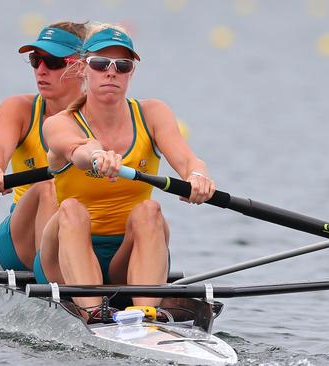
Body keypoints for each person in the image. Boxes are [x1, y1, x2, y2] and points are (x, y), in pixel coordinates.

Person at [38, 24, 215, 313]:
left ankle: (146, 318)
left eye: (122, 65)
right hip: (63, 256)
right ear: (83, 69)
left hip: (126, 257)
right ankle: (93, 313)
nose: (111, 72)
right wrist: (96, 156)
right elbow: (78, 149)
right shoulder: (59, 122)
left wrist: (197, 177)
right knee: (71, 208)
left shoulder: (153, 113)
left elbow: (189, 160)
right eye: (100, 64)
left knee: (150, 211)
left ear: (131, 73)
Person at [0, 22, 87, 271]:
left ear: (81, 68)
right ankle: (53, 282)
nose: (41, 71)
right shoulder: (19, 109)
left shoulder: (104, 115)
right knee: (49, 187)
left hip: (81, 227)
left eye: (53, 62)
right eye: (36, 60)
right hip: (21, 238)